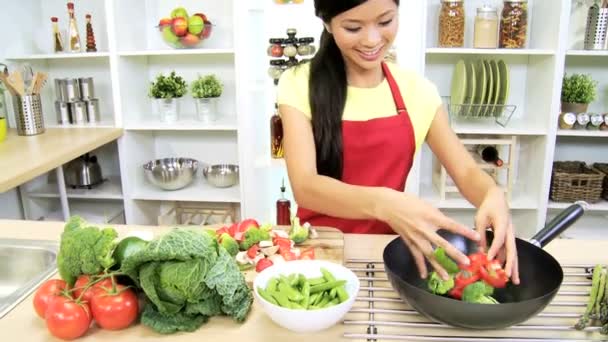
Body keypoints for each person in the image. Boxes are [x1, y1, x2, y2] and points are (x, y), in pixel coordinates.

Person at [276, 0, 519, 284]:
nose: (372, 40)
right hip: (316, 253)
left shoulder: (417, 90)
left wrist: (492, 194)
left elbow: (466, 172)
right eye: (353, 27)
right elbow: (305, 186)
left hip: (388, 256)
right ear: (327, 24)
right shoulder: (297, 83)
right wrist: (385, 202)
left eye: (385, 21)